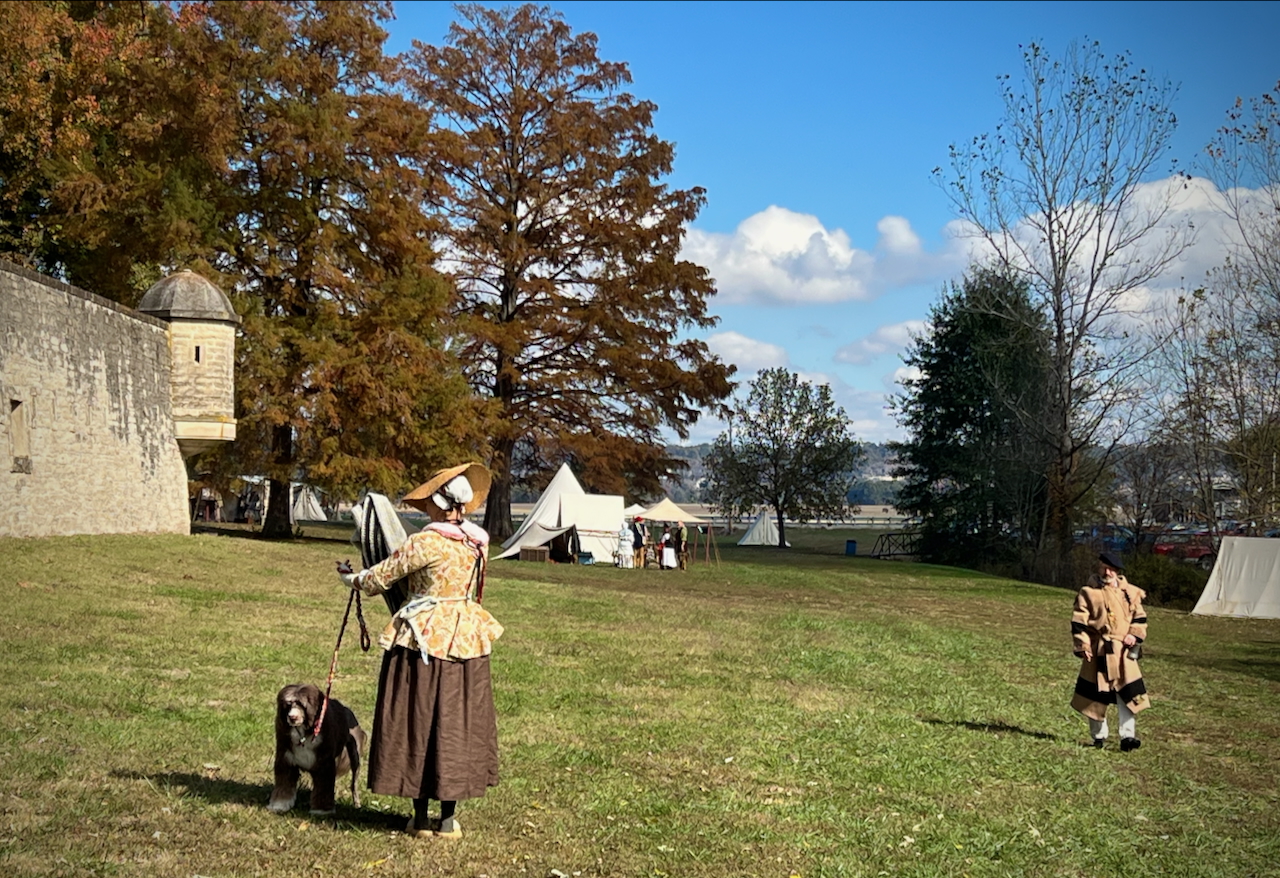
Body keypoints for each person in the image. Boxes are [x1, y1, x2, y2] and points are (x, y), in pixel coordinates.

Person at [337, 463, 502, 838]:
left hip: (422, 638)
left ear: (440, 504)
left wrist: (350, 578)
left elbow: (379, 578)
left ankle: (421, 818)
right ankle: (448, 820)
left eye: (428, 501)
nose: (424, 507)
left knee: (418, 719)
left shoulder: (424, 543)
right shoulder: (478, 543)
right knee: (457, 724)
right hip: (466, 638)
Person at [1071, 551, 1150, 751]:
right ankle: (1098, 737)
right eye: (1104, 568)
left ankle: (1128, 737)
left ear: (1117, 571)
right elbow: (1079, 621)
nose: (1107, 573)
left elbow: (1140, 619)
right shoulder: (1088, 593)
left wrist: (1134, 635)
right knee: (1096, 694)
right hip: (1099, 650)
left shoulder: (1131, 592)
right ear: (1098, 568)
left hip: (1123, 652)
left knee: (1128, 693)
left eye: (1111, 569)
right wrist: (1083, 645)